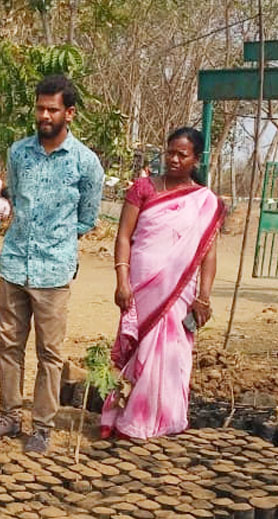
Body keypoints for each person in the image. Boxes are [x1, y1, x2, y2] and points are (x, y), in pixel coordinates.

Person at [0, 75, 105, 453]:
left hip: (53, 271)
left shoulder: (85, 163)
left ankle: (42, 426)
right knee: (8, 345)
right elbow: (16, 200)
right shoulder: (18, 153)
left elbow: (88, 217)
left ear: (70, 113)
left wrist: (58, 242)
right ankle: (9, 415)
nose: (44, 115)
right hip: (14, 264)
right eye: (40, 108)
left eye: (53, 109)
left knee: (49, 353)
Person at [100, 127, 224, 439]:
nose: (174, 159)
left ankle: (165, 422)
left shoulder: (205, 202)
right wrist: (121, 279)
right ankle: (129, 421)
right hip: (141, 287)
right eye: (170, 152)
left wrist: (204, 297)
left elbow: (208, 256)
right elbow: (124, 237)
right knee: (138, 351)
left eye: (182, 155)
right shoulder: (144, 188)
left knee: (172, 355)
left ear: (196, 159)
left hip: (180, 293)